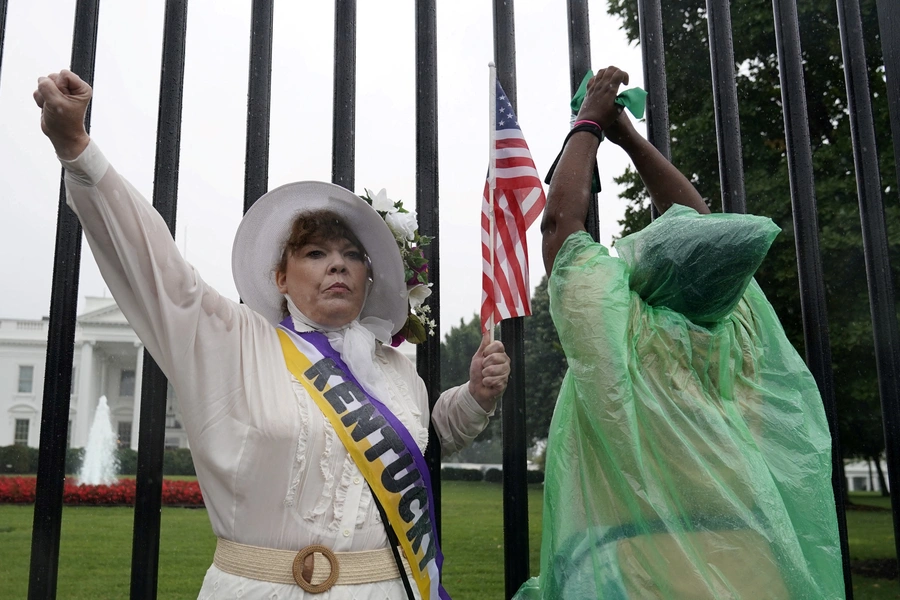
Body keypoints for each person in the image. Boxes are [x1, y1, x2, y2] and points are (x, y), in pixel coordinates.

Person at [35, 69, 510, 599]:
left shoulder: (397, 369)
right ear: (280, 277)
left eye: (353, 256)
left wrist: (476, 396)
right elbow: (156, 268)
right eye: (316, 253)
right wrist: (77, 147)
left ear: (370, 278)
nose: (339, 266)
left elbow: (429, 436)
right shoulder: (234, 341)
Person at [516, 67, 844, 598]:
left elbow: (560, 227)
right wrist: (629, 137)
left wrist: (590, 123)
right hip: (752, 561)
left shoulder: (624, 333)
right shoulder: (740, 330)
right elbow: (702, 229)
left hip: (641, 565)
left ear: (654, 273)